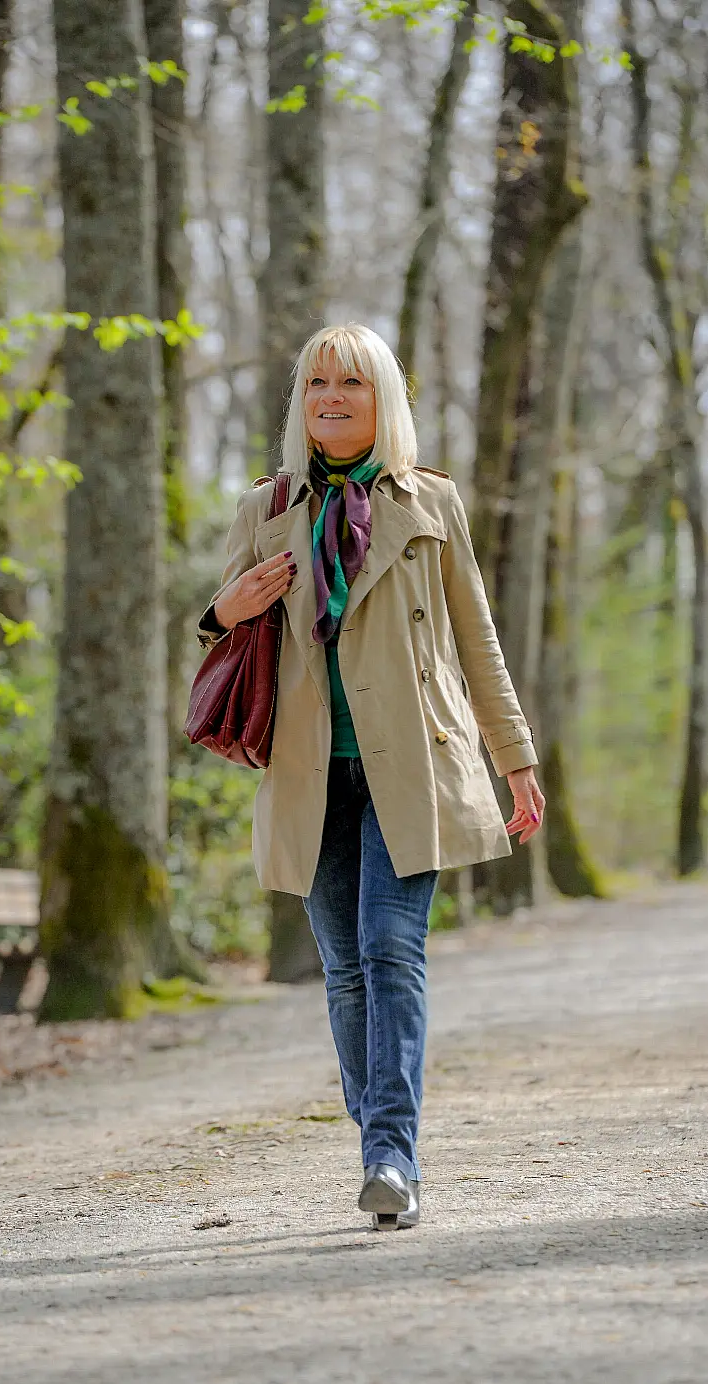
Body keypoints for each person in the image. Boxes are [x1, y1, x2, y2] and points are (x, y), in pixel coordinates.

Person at [197, 323, 544, 1230]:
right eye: (317, 383)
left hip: (413, 768)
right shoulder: (265, 507)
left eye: (351, 382)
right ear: (300, 404)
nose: (331, 397)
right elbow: (214, 644)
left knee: (392, 952)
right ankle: (381, 1142)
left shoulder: (431, 502)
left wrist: (515, 758)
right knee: (345, 971)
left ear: (381, 399)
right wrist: (220, 610)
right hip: (310, 776)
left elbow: (478, 640)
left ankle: (390, 1155)